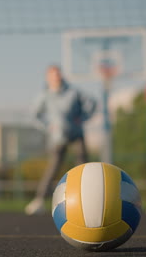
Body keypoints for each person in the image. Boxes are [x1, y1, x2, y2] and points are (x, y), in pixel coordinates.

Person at [25, 65, 96, 215]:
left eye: (58, 74)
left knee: (83, 167)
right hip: (58, 138)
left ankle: (86, 200)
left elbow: (92, 103)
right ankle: (39, 200)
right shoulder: (44, 96)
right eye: (53, 75)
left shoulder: (73, 92)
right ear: (48, 78)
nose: (57, 77)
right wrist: (48, 126)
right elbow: (34, 115)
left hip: (77, 134)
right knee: (53, 167)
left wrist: (82, 119)